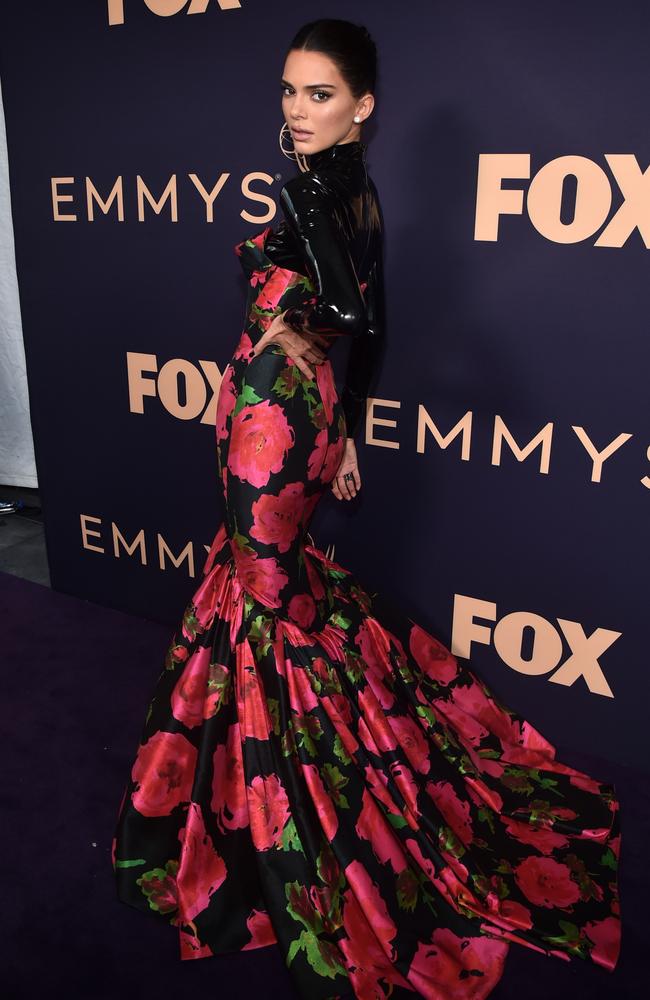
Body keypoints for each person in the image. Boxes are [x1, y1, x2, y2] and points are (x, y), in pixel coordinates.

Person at [112, 18, 622, 1000]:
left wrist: (292, 337)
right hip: (291, 418)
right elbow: (372, 326)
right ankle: (232, 793)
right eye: (289, 93)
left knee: (261, 602)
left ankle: (268, 826)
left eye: (318, 95)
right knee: (268, 589)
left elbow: (346, 312)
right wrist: (339, 415)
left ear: (363, 106)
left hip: (270, 421)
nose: (297, 111)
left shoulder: (314, 190)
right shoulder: (360, 192)